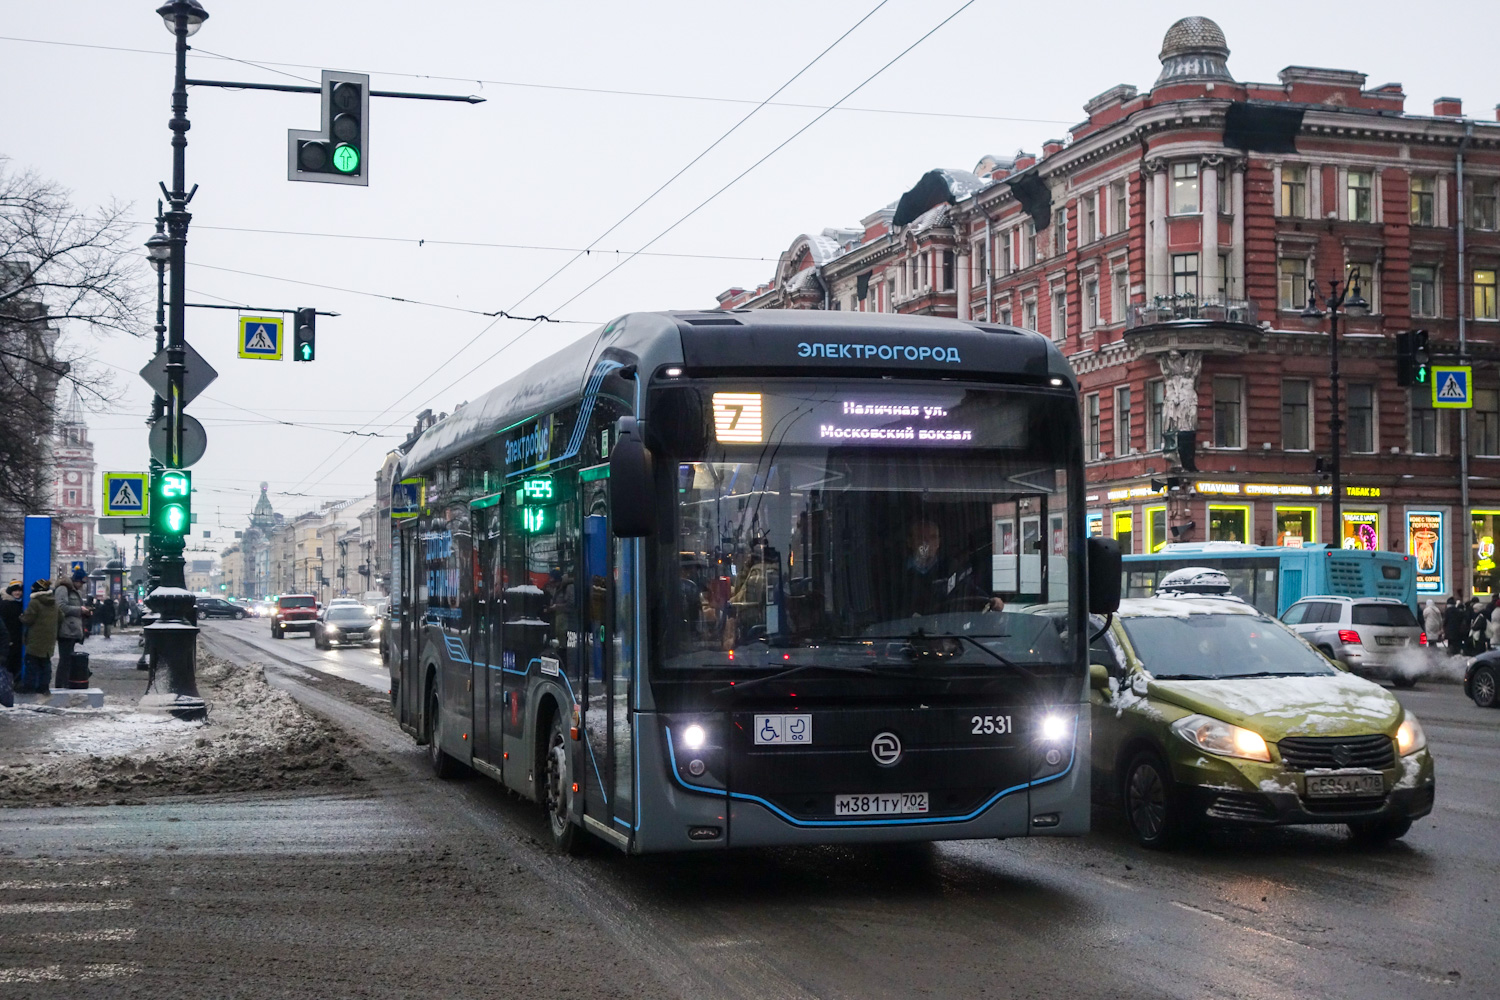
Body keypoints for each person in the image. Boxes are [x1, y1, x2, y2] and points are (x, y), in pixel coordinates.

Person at [895, 520, 1005, 618]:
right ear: (909, 541)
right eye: (921, 537)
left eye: (933, 537)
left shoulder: (951, 569)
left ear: (938, 542)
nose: (927, 543)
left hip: (948, 633)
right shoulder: (896, 573)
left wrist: (993, 601)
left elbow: (970, 591)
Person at [18, 579, 62, 694]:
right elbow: (61, 616)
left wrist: (21, 617)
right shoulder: (53, 602)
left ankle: (29, 687)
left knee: (31, 664)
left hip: (35, 639)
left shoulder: (35, 602)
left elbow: (28, 619)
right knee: (45, 664)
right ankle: (44, 688)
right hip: (49, 639)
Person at [53, 569, 86, 688]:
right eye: (81, 583)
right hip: (65, 629)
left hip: (71, 630)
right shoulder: (63, 589)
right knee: (65, 660)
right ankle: (61, 685)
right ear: (76, 580)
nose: (82, 586)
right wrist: (79, 610)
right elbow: (60, 607)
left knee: (67, 660)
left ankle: (65, 684)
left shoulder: (73, 591)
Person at [1, 581, 23, 683]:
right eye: (15, 590)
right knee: (10, 662)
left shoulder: (20, 603)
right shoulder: (5, 604)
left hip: (17, 637)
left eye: (19, 590)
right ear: (11, 592)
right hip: (9, 638)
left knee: (16, 661)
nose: (18, 593)